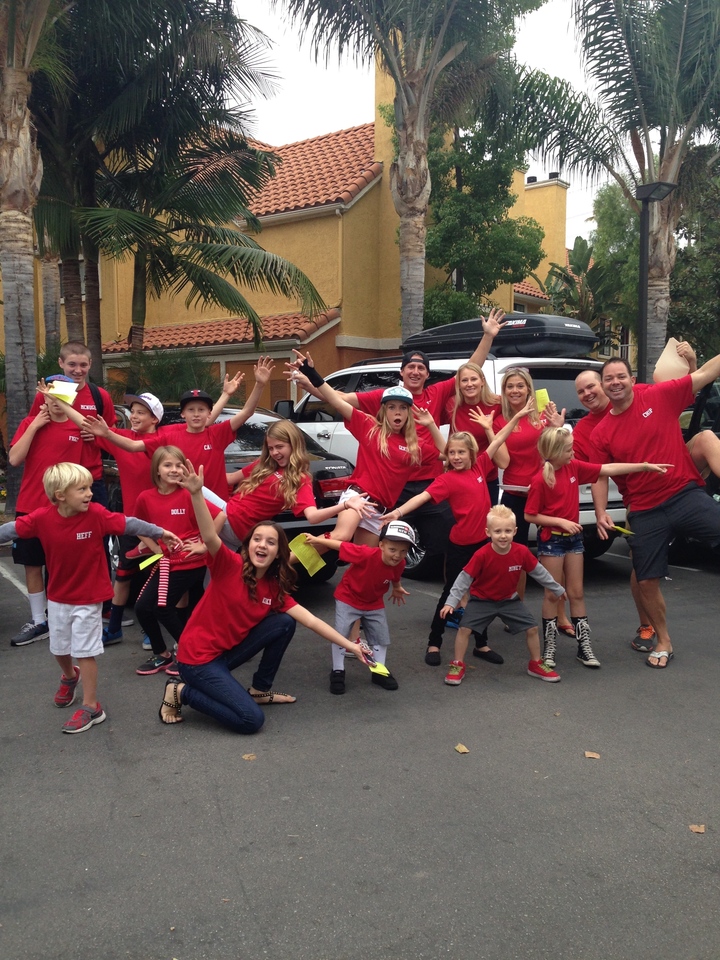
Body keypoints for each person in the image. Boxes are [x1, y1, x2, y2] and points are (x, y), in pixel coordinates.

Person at [157, 462, 374, 732]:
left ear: (278, 553)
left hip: (224, 655)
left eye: (271, 542)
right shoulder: (229, 565)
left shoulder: (274, 588)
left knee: (284, 623)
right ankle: (181, 692)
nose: (263, 545)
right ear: (248, 546)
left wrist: (352, 646)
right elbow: (211, 536)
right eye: (257, 539)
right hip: (197, 660)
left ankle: (260, 688)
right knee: (250, 720)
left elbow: (312, 621)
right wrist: (196, 494)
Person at [0, 463, 180, 734]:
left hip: (90, 597)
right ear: (60, 495)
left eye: (88, 488)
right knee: (59, 648)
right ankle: (70, 677)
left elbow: (129, 523)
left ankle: (92, 706)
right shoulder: (42, 518)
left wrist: (159, 531)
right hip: (59, 596)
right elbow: (12, 529)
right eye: (81, 489)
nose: (89, 494)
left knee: (84, 651)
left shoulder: (96, 514)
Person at [575, 350, 720, 652]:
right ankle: (662, 641)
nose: (614, 383)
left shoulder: (657, 395)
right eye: (608, 379)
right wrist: (600, 513)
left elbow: (705, 375)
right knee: (645, 578)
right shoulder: (599, 432)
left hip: (683, 494)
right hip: (643, 508)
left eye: (620, 377)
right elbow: (599, 475)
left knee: (706, 439)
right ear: (603, 385)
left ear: (632, 380)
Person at [382, 400, 533, 666]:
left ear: (471, 454)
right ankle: (434, 643)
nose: (456, 457)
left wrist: (518, 415)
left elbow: (498, 439)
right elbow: (423, 497)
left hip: (483, 545)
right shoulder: (446, 479)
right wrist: (398, 512)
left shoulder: (480, 467)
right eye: (452, 453)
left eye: (461, 452)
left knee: (481, 595)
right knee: (450, 594)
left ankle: (482, 644)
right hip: (460, 547)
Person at [525, 427, 671, 669]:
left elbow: (607, 469)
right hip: (552, 541)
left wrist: (643, 466)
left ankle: (584, 648)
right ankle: (548, 649)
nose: (573, 453)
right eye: (569, 449)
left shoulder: (574, 467)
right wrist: (559, 521)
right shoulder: (541, 479)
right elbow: (530, 515)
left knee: (577, 593)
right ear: (555, 452)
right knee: (552, 593)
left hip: (574, 541)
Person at [38, 382, 164, 645]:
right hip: (131, 523)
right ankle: (115, 627)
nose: (135, 416)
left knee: (149, 576)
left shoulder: (158, 444)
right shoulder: (121, 440)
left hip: (157, 525)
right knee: (123, 576)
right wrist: (60, 402)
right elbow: (86, 423)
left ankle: (150, 631)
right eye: (133, 411)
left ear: (155, 419)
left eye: (142, 412)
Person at [82, 357, 275, 500]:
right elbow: (133, 446)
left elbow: (247, 412)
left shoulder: (217, 433)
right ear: (183, 415)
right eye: (191, 410)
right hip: (183, 504)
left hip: (216, 505)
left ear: (208, 413)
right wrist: (106, 433)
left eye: (201, 410)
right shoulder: (170, 436)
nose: (196, 414)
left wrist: (259, 384)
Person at [287, 354, 427, 548]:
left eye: (403, 408)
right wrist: (312, 373)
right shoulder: (370, 427)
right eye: (392, 407)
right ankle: (283, 563)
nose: (397, 412)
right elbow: (337, 401)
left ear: (409, 413)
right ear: (383, 411)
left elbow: (447, 454)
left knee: (363, 558)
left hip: (378, 510)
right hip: (358, 497)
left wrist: (431, 425)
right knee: (341, 537)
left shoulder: (414, 445)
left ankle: (293, 564)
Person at [439, 505, 565, 686]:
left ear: (515, 531)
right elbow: (463, 580)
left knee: (532, 628)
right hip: (481, 600)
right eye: (497, 531)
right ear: (488, 532)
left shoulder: (521, 552)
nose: (503, 535)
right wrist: (451, 602)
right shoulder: (481, 554)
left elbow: (540, 572)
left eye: (507, 530)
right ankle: (457, 664)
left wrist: (558, 589)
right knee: (464, 630)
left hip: (509, 600)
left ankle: (535, 663)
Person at [7, 376, 91, 647]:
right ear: (43, 396)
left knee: (62, 566)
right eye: (52, 396)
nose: (56, 403)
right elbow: (14, 458)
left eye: (63, 397)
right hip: (30, 505)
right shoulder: (29, 423)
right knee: (33, 565)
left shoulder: (80, 428)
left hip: (65, 510)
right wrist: (35, 426)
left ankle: (61, 618)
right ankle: (38, 621)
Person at [133, 446, 223, 676]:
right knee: (143, 607)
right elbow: (137, 525)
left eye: (178, 465)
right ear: (157, 470)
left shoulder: (188, 494)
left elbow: (221, 514)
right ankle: (162, 654)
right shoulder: (145, 497)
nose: (173, 470)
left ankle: (189, 651)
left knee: (163, 608)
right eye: (167, 465)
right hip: (167, 563)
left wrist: (204, 544)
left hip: (191, 562)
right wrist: (155, 548)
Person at [213, 420, 373, 548]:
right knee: (214, 578)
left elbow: (313, 517)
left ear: (293, 444)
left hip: (233, 520)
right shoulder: (264, 465)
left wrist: (345, 505)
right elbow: (229, 478)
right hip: (232, 525)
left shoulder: (299, 478)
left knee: (194, 494)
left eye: (280, 447)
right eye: (271, 448)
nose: (275, 452)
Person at [304, 520, 414, 695]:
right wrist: (318, 540)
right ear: (381, 545)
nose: (397, 555)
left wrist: (397, 587)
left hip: (374, 602)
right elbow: (341, 546)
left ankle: (379, 671)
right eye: (392, 550)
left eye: (403, 551)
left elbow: (395, 575)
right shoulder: (366, 554)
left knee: (380, 636)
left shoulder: (399, 563)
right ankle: (338, 671)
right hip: (349, 597)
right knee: (340, 634)